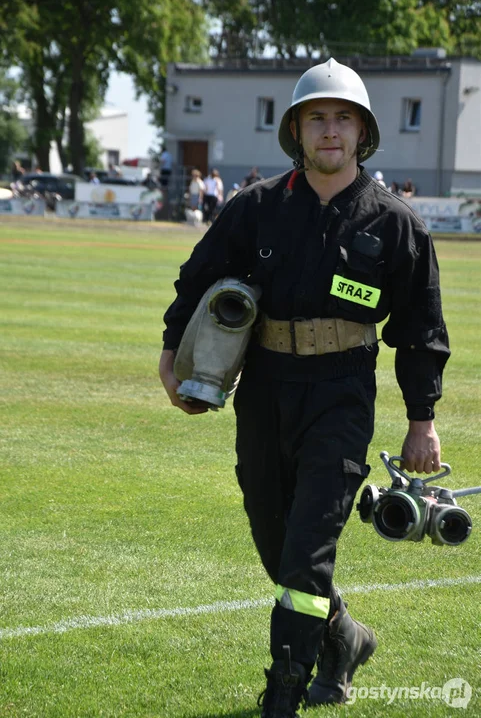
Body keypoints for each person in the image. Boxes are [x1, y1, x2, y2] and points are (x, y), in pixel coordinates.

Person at [158, 57, 450, 717]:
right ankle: (343, 636)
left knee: (308, 544)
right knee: (276, 543)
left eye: (341, 118)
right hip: (263, 388)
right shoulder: (254, 210)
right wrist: (173, 353)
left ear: (362, 133)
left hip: (341, 395)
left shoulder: (395, 223)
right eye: (315, 117)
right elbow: (196, 280)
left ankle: (283, 692)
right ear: (296, 130)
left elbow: (419, 331)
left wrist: (420, 421)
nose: (328, 130)